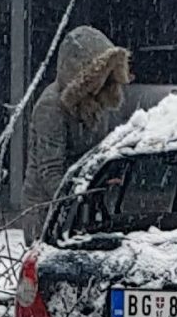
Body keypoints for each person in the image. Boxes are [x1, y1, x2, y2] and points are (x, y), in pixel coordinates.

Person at [21, 25, 131, 211]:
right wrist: (76, 203)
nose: (104, 80)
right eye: (99, 74)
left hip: (83, 199)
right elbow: (50, 171)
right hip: (47, 208)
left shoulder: (99, 101)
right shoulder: (51, 107)